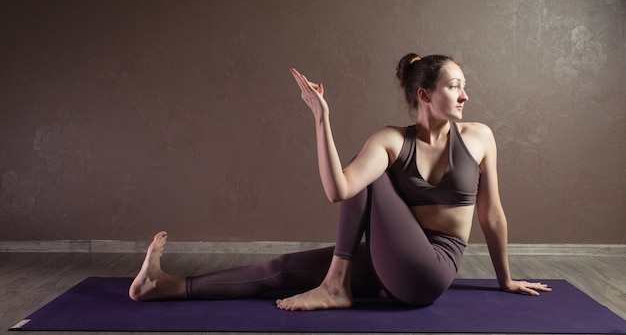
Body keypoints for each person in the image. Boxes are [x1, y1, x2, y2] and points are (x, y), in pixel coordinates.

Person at [129, 53, 551, 310]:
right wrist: (321, 118)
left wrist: (505, 279)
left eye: (464, 88)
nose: (464, 96)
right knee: (281, 269)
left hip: (431, 272)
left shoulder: (480, 137)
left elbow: (491, 214)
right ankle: (161, 287)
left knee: (363, 171)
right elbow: (338, 191)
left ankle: (335, 284)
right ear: (424, 95)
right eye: (455, 87)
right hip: (392, 261)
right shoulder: (391, 140)